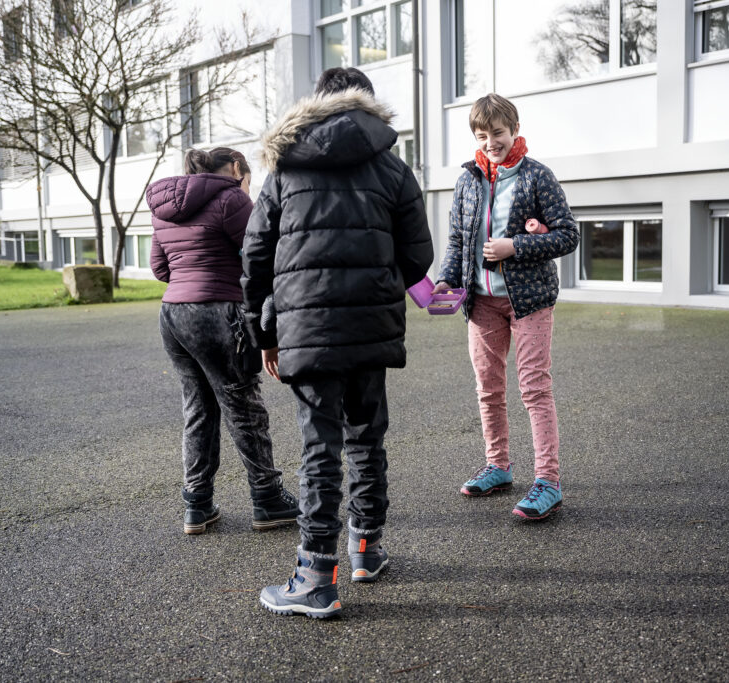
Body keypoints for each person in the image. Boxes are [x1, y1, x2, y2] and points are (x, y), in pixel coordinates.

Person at [241, 67, 433, 618]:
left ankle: (313, 577)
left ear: (316, 104)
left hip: (306, 330)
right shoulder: (393, 167)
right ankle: (367, 550)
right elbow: (417, 256)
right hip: (371, 327)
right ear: (368, 106)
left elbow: (255, 257)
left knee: (319, 447)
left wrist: (263, 332)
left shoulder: (283, 168)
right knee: (367, 437)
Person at [434, 93, 579, 521]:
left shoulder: (537, 177)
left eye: (497, 133)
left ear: (513, 128)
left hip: (530, 301)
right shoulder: (467, 180)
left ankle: (547, 481)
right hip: (480, 303)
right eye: (482, 135)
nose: (491, 142)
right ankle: (498, 466)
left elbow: (568, 236)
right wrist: (447, 277)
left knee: (534, 388)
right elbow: (458, 240)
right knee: (488, 389)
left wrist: (515, 246)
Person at [146, 147, 299, 535]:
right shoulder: (232, 197)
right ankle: (267, 499)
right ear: (236, 169)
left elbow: (160, 268)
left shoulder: (163, 205)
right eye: (248, 179)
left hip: (173, 315)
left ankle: (197, 505)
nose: (249, 189)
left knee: (198, 407)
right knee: (242, 403)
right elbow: (261, 257)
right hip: (217, 313)